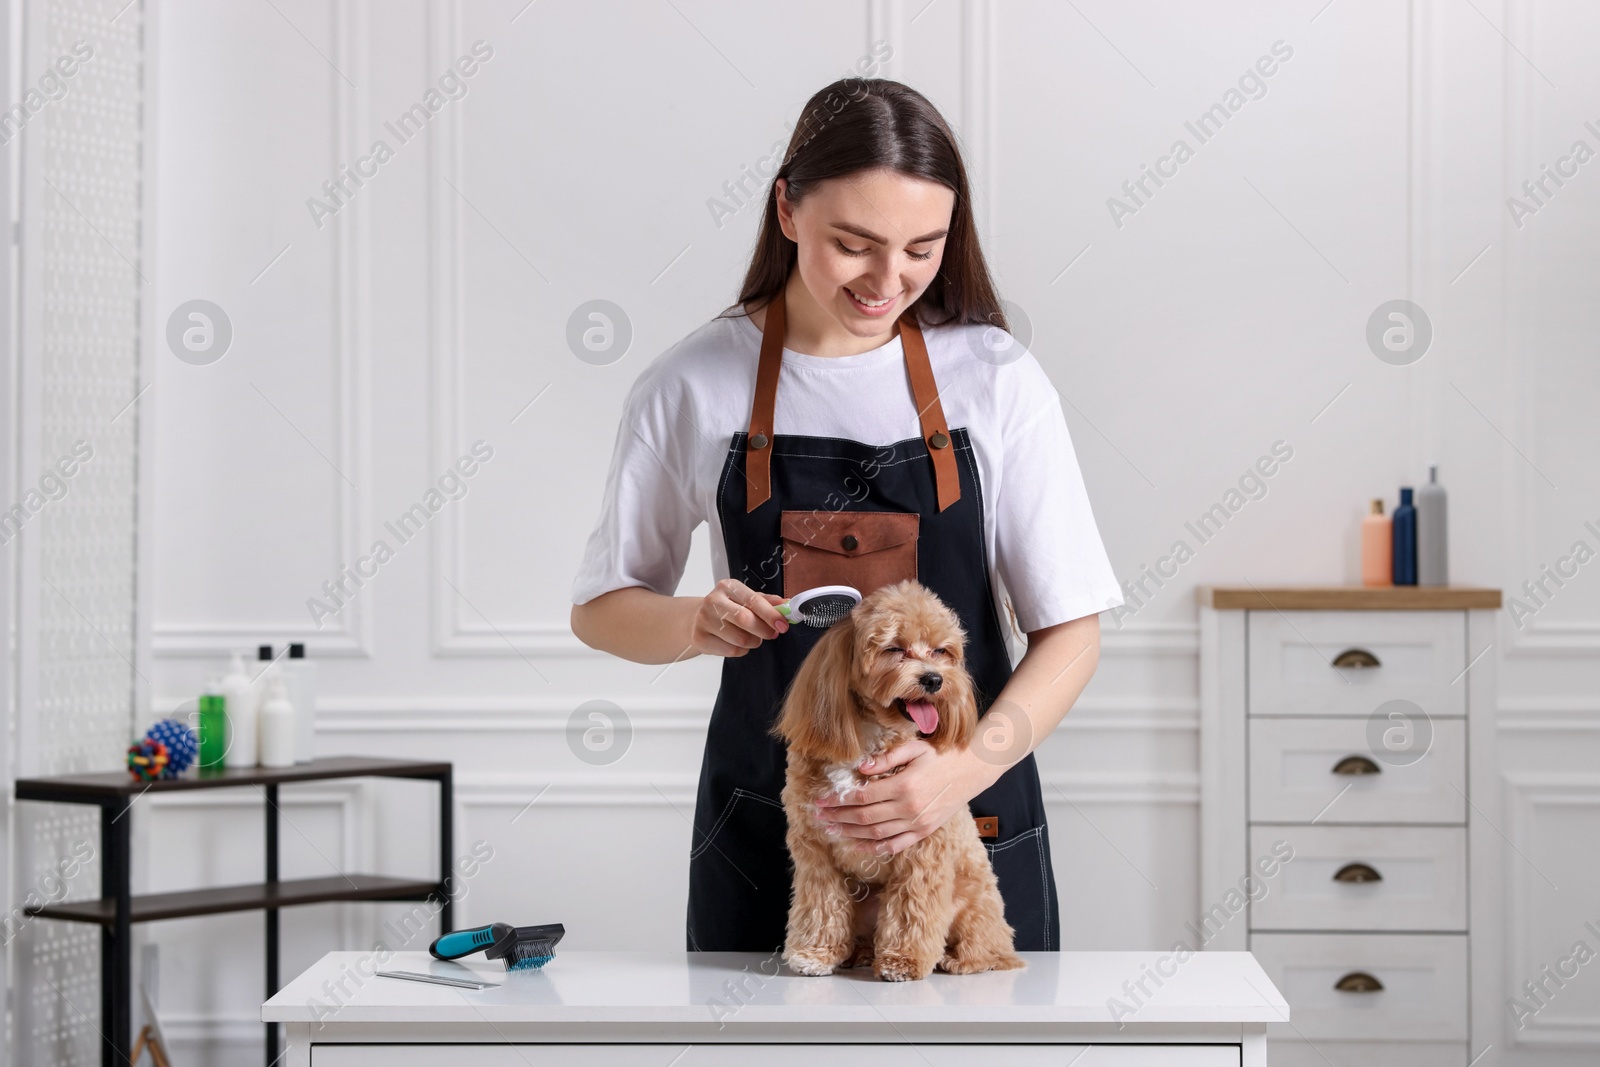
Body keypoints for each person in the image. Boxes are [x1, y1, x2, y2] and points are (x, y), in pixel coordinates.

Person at [570, 78, 1122, 955]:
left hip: (967, 821)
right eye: (855, 245)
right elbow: (602, 610)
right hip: (774, 837)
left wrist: (952, 776)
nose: (887, 280)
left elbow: (1073, 634)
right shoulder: (692, 384)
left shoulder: (997, 379)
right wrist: (693, 618)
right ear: (787, 209)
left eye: (922, 249)